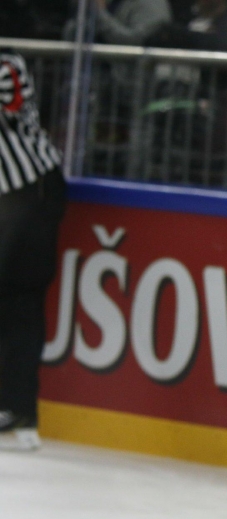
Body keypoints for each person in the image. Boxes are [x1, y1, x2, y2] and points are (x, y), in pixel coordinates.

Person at [0, 50, 67, 451]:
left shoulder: (9, 65)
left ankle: (20, 408)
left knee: (20, 298)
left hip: (33, 193)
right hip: (9, 199)